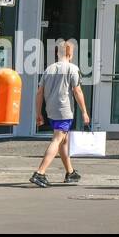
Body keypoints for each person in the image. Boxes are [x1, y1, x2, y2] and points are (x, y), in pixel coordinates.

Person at [29, 40, 90, 188]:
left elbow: (39, 93)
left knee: (64, 140)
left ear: (58, 53)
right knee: (57, 140)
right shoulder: (72, 69)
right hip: (64, 110)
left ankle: (70, 172)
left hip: (51, 110)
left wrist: (39, 113)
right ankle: (40, 173)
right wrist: (84, 112)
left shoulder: (49, 69)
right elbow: (77, 91)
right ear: (70, 54)